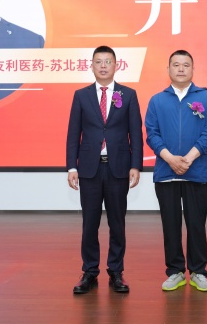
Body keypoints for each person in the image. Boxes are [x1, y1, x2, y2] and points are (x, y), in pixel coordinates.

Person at [66, 46, 143, 294]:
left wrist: (135, 165)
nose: (103, 66)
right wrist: (71, 166)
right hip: (89, 169)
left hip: (118, 168)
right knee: (89, 223)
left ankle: (116, 271)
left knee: (117, 223)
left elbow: (135, 134)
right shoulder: (81, 95)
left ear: (116, 65)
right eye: (98, 61)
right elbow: (73, 134)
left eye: (107, 61)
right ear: (91, 66)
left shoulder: (128, 95)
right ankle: (89, 271)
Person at [145, 50, 207, 292]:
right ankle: (175, 271)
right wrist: (169, 158)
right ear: (168, 69)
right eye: (176, 64)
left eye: (186, 65)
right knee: (171, 224)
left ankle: (198, 272)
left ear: (193, 70)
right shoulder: (157, 100)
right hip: (166, 173)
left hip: (196, 171)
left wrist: (189, 158)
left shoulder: (205, 97)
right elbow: (152, 134)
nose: (180, 69)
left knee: (197, 224)